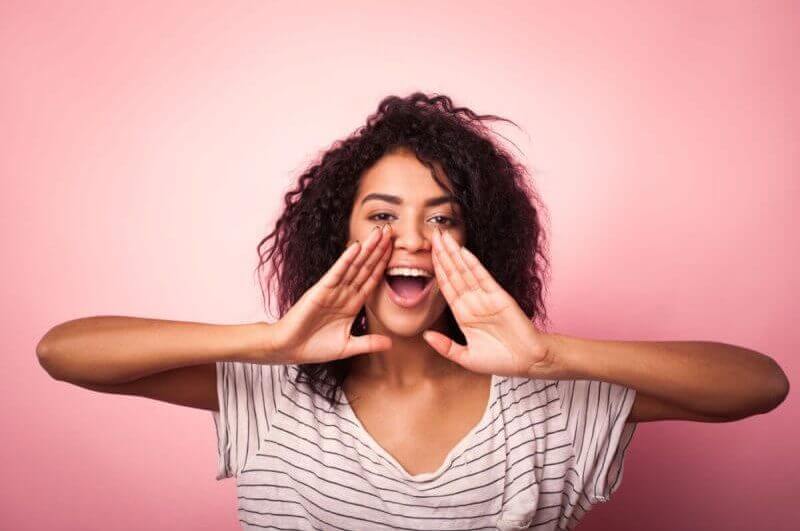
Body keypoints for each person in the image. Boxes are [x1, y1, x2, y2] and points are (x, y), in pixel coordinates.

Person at [36, 93, 786, 530]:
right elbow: (63, 352)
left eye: (443, 217)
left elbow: (761, 385)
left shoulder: (551, 402)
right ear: (341, 236)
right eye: (382, 215)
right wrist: (271, 341)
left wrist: (549, 357)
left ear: (477, 240)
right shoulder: (271, 389)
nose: (413, 241)